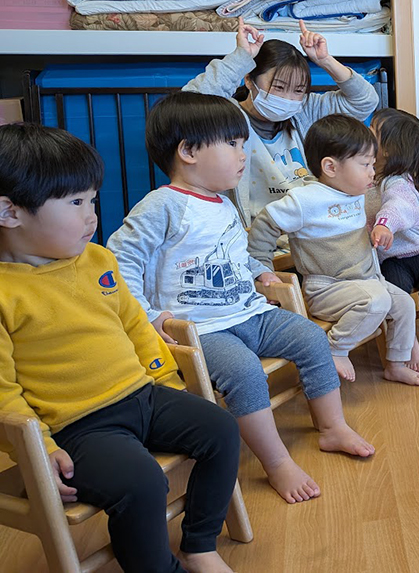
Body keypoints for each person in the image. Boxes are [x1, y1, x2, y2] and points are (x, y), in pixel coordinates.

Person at [107, 93, 373, 506]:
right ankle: (277, 462)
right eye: (232, 143)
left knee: (312, 338)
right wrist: (148, 314)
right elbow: (119, 260)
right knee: (246, 373)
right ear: (189, 151)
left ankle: (332, 426)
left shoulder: (224, 203)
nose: (243, 153)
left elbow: (234, 251)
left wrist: (258, 270)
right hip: (202, 330)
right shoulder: (162, 206)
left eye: (242, 143)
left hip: (250, 311)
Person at [0, 123, 240, 573]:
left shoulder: (98, 260)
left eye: (91, 200)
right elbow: (2, 391)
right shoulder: (6, 291)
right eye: (75, 203)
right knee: (141, 484)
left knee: (222, 429)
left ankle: (200, 543)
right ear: (9, 212)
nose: (91, 216)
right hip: (76, 428)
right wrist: (40, 449)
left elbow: (135, 325)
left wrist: (166, 378)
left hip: (143, 395)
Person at [248, 114, 419, 385]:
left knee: (403, 303)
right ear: (330, 167)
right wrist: (262, 267)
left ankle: (395, 364)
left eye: (373, 164)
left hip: (367, 281)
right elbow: (264, 224)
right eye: (365, 164)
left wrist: (385, 227)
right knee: (377, 301)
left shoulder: (355, 192)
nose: (372, 171)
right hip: (328, 288)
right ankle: (334, 348)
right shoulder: (304, 200)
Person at [183, 16, 379, 224]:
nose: (288, 98)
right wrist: (241, 58)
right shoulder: (227, 116)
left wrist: (326, 60)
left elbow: (365, 102)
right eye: (278, 87)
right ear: (249, 79)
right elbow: (188, 104)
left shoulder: (305, 110)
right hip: (255, 230)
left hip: (309, 226)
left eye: (298, 90)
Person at [365, 109, 419, 356]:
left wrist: (384, 224)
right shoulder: (367, 178)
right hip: (392, 258)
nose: (365, 134)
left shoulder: (398, 181)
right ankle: (408, 337)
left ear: (388, 149)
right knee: (398, 297)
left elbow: (398, 206)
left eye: (372, 132)